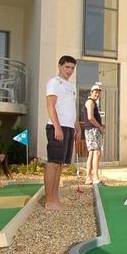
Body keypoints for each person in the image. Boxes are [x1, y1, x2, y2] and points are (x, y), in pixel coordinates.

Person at [44, 55, 80, 210]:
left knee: (60, 164)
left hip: (69, 128)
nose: (70, 70)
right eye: (67, 67)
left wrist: (77, 126)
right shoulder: (54, 83)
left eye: (72, 68)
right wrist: (57, 127)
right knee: (52, 163)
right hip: (56, 127)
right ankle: (49, 201)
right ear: (60, 66)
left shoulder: (71, 86)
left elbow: (71, 107)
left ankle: (55, 199)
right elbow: (51, 105)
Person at [83, 83, 105, 185]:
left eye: (98, 92)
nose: (97, 94)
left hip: (91, 129)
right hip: (92, 130)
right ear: (91, 92)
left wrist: (100, 125)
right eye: (95, 92)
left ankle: (88, 178)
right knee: (96, 153)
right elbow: (90, 117)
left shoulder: (93, 103)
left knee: (92, 153)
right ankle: (95, 178)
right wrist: (99, 127)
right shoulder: (90, 102)